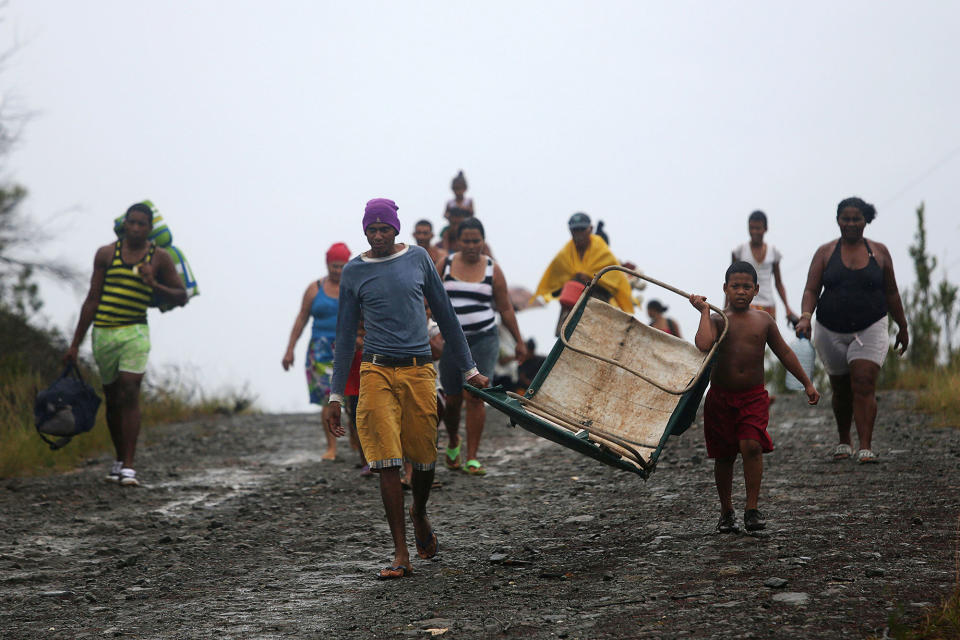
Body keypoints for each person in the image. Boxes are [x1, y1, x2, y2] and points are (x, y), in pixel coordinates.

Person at [325, 198, 488, 580]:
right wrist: (335, 395)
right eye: (372, 230)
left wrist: (470, 370)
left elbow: (446, 316)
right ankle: (400, 551)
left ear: (396, 229)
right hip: (376, 372)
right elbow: (346, 336)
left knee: (424, 458)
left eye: (384, 229)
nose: (378, 235)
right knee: (386, 461)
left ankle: (420, 511)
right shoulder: (354, 272)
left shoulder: (418, 260)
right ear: (364, 231)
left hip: (418, 371)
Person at [690, 262, 819, 533]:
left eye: (746, 287)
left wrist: (807, 382)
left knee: (751, 446)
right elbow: (702, 344)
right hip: (720, 399)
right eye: (734, 286)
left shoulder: (763, 321)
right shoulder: (717, 319)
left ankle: (752, 509)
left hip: (752, 397)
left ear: (756, 290)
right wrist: (703, 311)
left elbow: (784, 352)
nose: (740, 292)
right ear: (725, 288)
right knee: (724, 456)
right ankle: (727, 511)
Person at [64, 202, 187, 487]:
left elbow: (181, 296)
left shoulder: (160, 258)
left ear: (149, 228)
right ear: (124, 225)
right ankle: (119, 459)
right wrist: (74, 344)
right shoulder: (106, 254)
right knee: (112, 397)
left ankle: (129, 466)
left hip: (135, 332)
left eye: (141, 224)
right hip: (104, 333)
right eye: (131, 222)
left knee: (130, 390)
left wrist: (154, 284)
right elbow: (92, 298)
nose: (134, 228)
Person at [794, 197, 909, 464]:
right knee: (841, 387)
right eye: (845, 218)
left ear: (865, 221)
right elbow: (811, 289)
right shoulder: (825, 253)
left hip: (871, 326)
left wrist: (902, 326)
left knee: (864, 382)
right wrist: (805, 318)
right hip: (829, 329)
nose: (851, 223)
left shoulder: (879, 252)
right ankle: (844, 440)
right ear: (838, 221)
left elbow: (891, 291)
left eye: (856, 218)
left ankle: (865, 446)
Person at [437, 218, 527, 475]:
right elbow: (427, 298)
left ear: (483, 242)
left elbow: (505, 307)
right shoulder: (444, 265)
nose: (471, 245)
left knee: (476, 396)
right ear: (458, 241)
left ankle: (472, 457)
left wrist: (519, 341)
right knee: (453, 399)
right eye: (466, 240)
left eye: (476, 240)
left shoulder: (492, 269)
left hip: (484, 339)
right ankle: (454, 439)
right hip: (452, 341)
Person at [282, 242, 351, 460]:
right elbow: (301, 318)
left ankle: (358, 443)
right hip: (320, 352)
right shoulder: (315, 288)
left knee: (352, 400)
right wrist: (290, 349)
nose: (338, 271)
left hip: (348, 349)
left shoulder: (352, 288)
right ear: (327, 264)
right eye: (334, 266)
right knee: (327, 399)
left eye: (342, 266)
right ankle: (331, 446)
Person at [532, 212, 634, 335]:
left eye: (582, 229)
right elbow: (554, 289)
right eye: (575, 230)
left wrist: (592, 280)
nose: (578, 233)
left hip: (597, 310)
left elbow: (615, 283)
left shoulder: (602, 251)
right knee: (565, 341)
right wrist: (571, 282)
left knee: (594, 341)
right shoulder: (565, 254)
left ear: (590, 229)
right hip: (570, 311)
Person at [729, 211, 798, 323]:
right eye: (751, 228)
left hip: (768, 305)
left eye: (758, 228)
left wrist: (787, 308)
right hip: (746, 303)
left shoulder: (773, 253)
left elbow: (778, 283)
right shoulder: (740, 251)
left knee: (766, 337)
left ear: (765, 229)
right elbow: (730, 282)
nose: (754, 231)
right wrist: (726, 309)